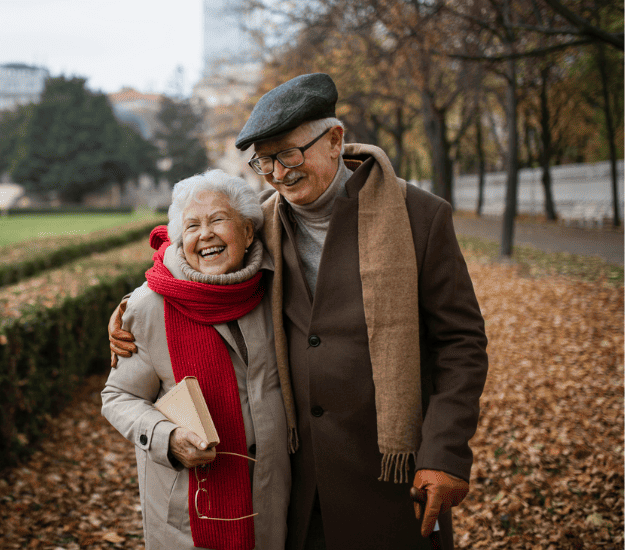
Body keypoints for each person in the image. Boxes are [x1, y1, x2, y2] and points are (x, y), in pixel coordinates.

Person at [108, 73, 488, 550]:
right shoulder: (261, 222)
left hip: (395, 476)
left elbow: (462, 343)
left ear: (334, 140)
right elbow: (192, 263)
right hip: (297, 486)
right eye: (265, 161)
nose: (279, 173)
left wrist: (446, 451)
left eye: (289, 154)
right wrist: (133, 307)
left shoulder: (418, 216)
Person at [101, 170, 289, 550]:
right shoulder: (149, 305)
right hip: (190, 509)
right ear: (179, 238)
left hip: (273, 496)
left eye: (218, 220)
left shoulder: (276, 290)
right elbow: (118, 397)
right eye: (192, 225)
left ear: (249, 232)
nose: (205, 234)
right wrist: (165, 437)